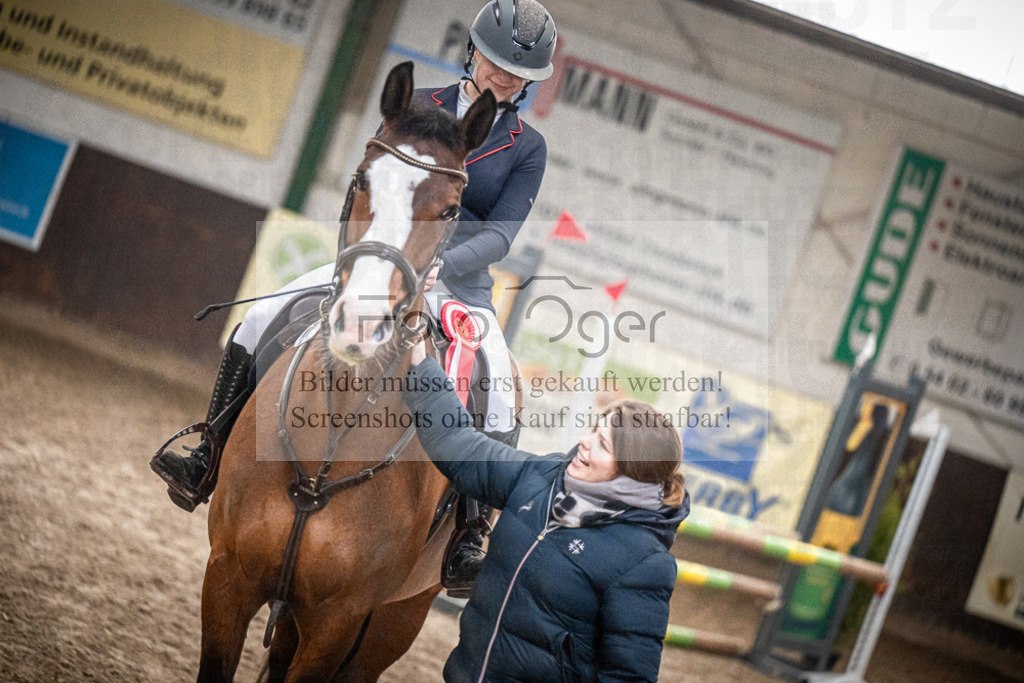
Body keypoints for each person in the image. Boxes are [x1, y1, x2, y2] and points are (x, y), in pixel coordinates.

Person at [152, 0, 558, 593]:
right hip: (379, 261)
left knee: (497, 383)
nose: (505, 75)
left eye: (519, 71)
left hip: (456, 280)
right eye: (496, 60)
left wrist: (440, 260)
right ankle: (208, 449)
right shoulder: (419, 108)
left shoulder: (528, 147)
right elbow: (368, 186)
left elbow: (500, 233)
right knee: (262, 312)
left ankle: (472, 529)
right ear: (474, 51)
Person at [404, 341, 689, 682]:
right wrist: (420, 364)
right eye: (593, 431)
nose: (584, 442)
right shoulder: (542, 477)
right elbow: (461, 445)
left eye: (602, 444)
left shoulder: (644, 562)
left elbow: (629, 676)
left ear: (631, 470)